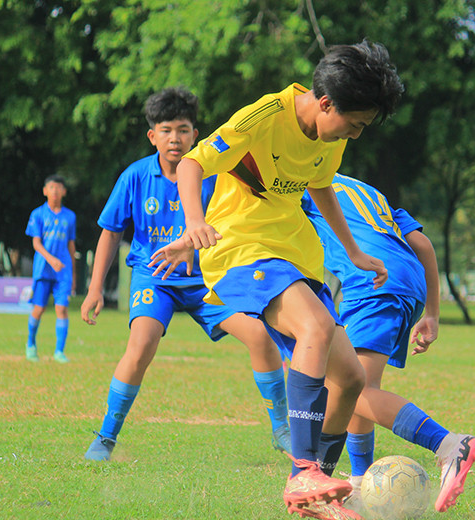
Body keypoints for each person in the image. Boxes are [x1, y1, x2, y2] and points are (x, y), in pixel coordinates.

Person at [152, 40, 404, 520]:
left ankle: (313, 495)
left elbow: (321, 186)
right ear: (327, 102)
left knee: (349, 378)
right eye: (355, 124)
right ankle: (303, 470)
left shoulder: (329, 139)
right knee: (314, 326)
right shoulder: (265, 116)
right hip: (240, 249)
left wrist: (353, 252)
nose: (355, 135)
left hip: (293, 256)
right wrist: (193, 223)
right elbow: (191, 163)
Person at [81, 87, 290, 461]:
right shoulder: (135, 176)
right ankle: (106, 438)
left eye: (182, 129)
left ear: (196, 134)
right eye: (165, 130)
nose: (174, 138)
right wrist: (96, 288)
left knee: (260, 337)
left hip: (209, 280)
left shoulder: (217, 175)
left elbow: (239, 220)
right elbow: (111, 231)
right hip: (155, 278)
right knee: (141, 343)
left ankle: (282, 431)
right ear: (152, 136)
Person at [300, 174, 475, 513]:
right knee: (360, 385)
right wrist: (432, 314)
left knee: (350, 388)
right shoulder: (368, 191)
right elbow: (424, 245)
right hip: (409, 281)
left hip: (372, 281)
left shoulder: (303, 184)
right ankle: (358, 483)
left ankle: (448, 444)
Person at [25, 174, 77, 363]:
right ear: (45, 191)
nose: (55, 191)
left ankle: (59, 351)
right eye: (51, 187)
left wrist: (73, 272)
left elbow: (71, 245)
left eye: (58, 187)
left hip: (63, 271)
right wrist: (51, 259)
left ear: (64, 191)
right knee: (39, 309)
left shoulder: (70, 216)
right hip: (43, 270)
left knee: (62, 309)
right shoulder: (38, 214)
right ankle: (31, 344)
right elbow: (36, 244)